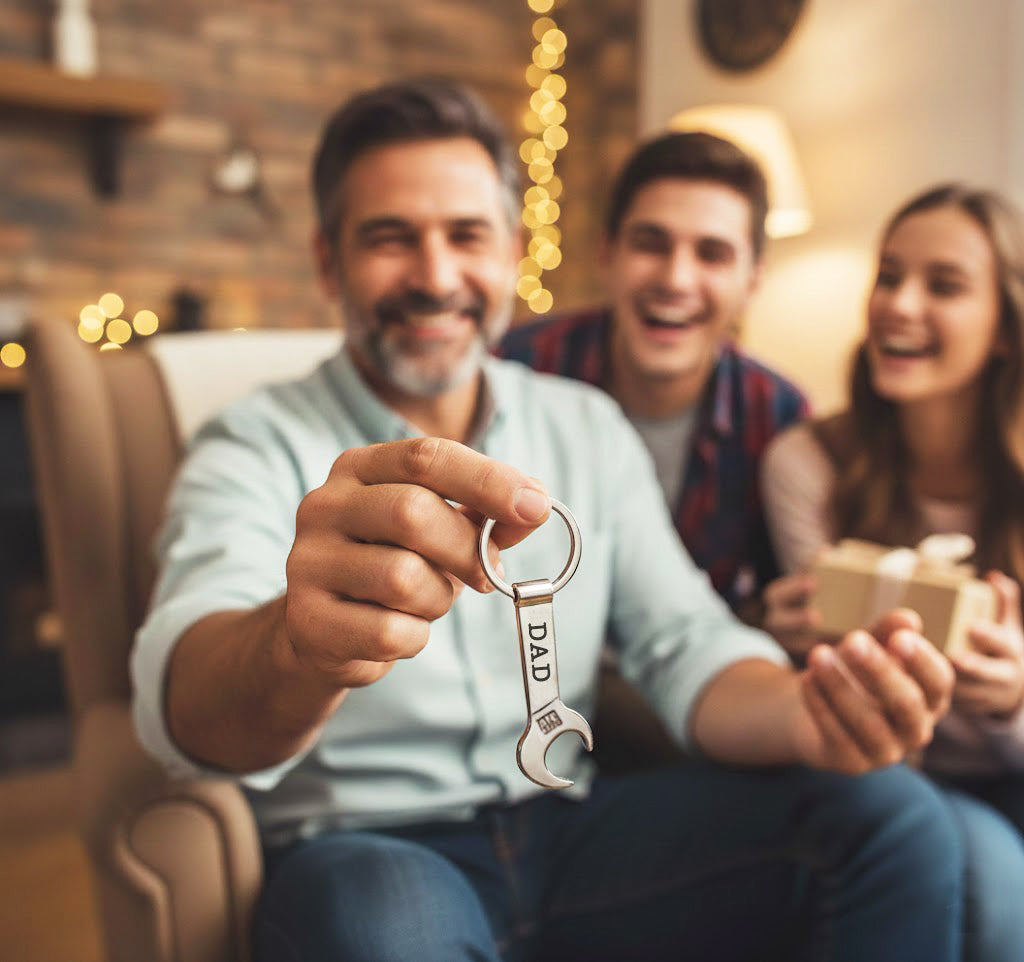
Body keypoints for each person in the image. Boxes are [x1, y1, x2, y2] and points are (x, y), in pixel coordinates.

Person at [131, 78, 963, 962]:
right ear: (328, 262)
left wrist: (804, 715)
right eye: (389, 238)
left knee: (893, 816)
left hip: (578, 834)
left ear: (512, 256)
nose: (436, 276)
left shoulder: (585, 425)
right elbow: (183, 690)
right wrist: (296, 647)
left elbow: (684, 640)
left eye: (466, 236)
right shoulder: (250, 445)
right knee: (385, 926)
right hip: (370, 847)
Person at [762, 183, 1024, 962]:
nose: (898, 305)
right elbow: (827, 701)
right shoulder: (807, 463)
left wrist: (1014, 698)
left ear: (1005, 329)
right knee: (994, 888)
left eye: (942, 285)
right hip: (895, 776)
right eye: (888, 275)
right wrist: (793, 644)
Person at [501, 131, 808, 616]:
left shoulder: (778, 414)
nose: (675, 280)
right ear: (607, 254)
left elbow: (770, 601)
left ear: (753, 281)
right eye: (651, 244)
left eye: (712, 254)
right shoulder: (517, 366)